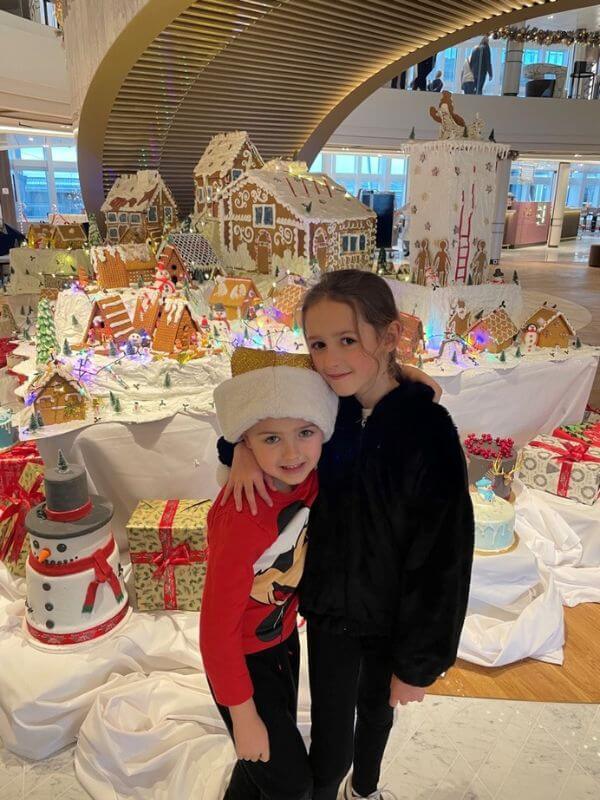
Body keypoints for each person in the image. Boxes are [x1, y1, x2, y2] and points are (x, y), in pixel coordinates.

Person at [219, 271, 474, 800]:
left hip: (393, 617)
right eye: (317, 343)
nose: (331, 357)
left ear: (389, 336)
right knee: (332, 736)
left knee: (377, 714)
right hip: (330, 611)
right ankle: (335, 783)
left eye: (348, 340)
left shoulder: (428, 432)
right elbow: (260, 421)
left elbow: (445, 559)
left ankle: (367, 787)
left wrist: (419, 663)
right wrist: (240, 450)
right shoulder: (320, 406)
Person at [201, 347, 339, 800]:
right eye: (271, 439)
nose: (293, 452)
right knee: (290, 782)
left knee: (260, 762)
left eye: (304, 432)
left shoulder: (311, 480)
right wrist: (242, 715)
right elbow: (215, 634)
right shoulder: (241, 517)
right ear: (248, 440)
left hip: (282, 641)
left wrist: (245, 445)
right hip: (240, 658)